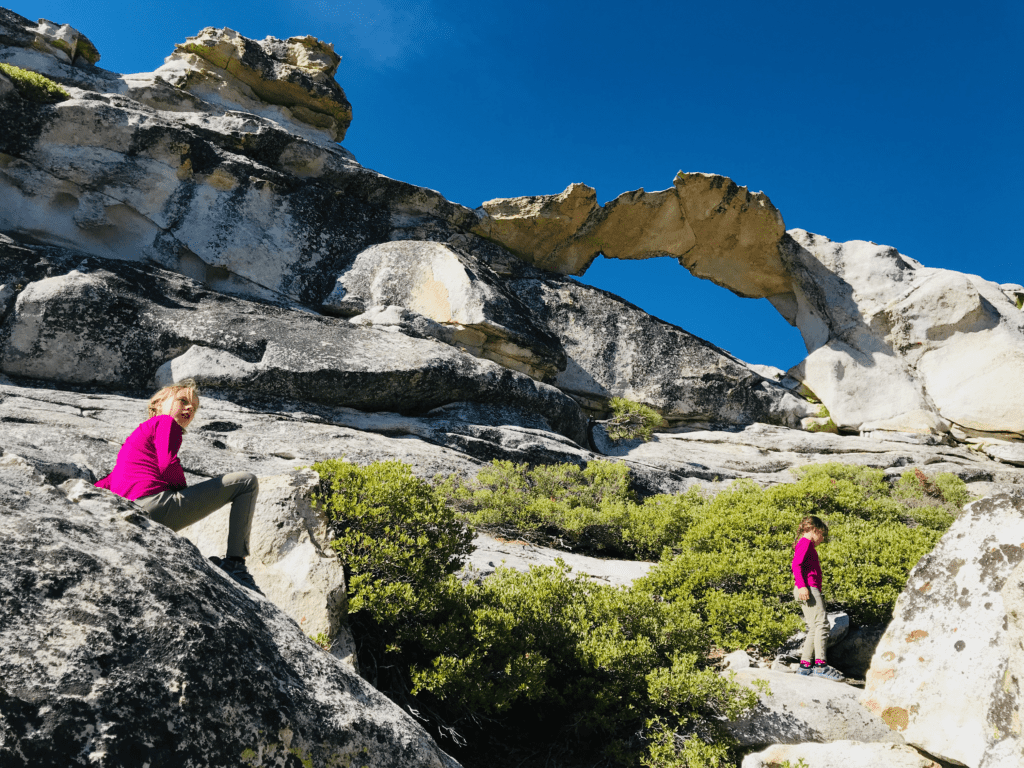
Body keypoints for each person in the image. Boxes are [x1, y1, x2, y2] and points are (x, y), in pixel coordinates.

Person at [95, 379, 260, 592]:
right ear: (158, 403)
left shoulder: (133, 442)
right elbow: (167, 463)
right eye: (183, 401)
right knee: (246, 482)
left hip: (131, 515)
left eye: (194, 407)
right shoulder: (165, 422)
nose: (190, 408)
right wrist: (183, 490)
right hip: (155, 507)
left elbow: (104, 484)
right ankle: (236, 564)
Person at [792, 515, 843, 680]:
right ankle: (821, 665)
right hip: (808, 588)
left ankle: (805, 665)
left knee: (814, 627)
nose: (822, 539)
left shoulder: (805, 544)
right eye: (822, 535)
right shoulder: (806, 542)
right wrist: (802, 586)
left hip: (807, 587)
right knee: (822, 624)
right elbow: (796, 565)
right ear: (815, 530)